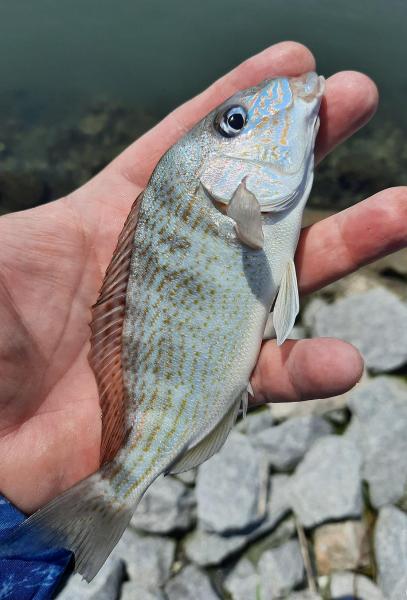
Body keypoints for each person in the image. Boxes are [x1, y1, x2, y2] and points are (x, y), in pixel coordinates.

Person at [0, 41, 406, 596]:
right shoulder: (232, 207)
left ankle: (66, 524)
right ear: (224, 180)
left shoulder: (245, 209)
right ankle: (97, 504)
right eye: (236, 123)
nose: (258, 112)